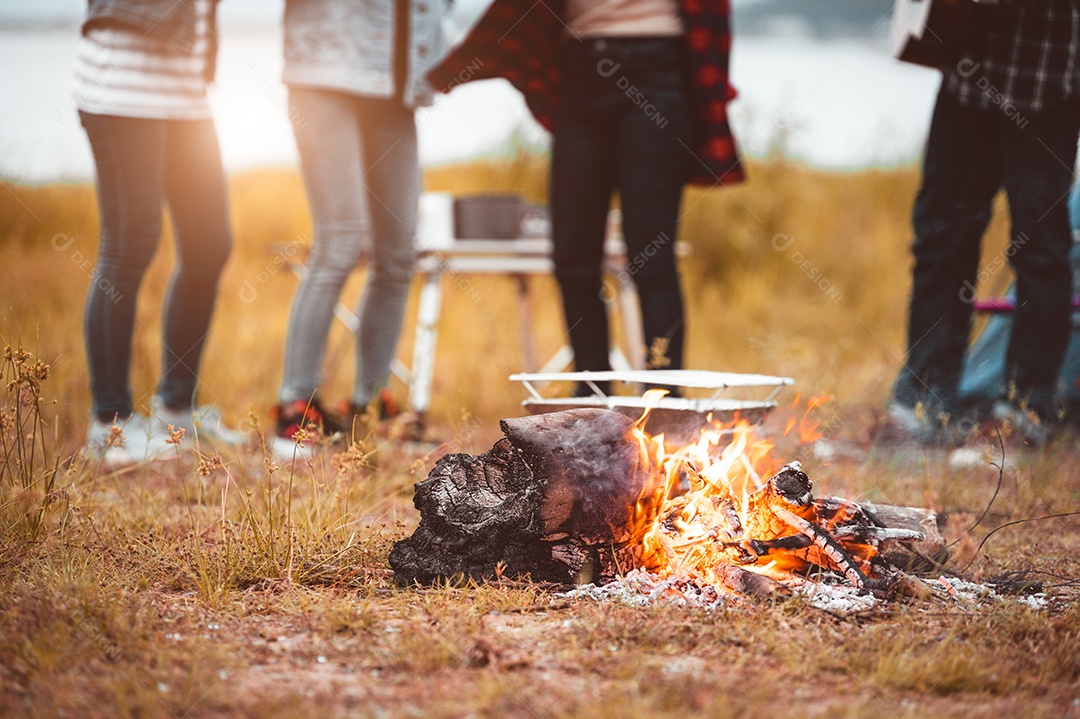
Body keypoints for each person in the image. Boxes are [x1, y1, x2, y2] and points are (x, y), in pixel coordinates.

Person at [429, 0, 744, 395]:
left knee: (652, 258)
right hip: (580, 71)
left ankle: (662, 405)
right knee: (573, 259)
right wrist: (439, 74)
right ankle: (592, 399)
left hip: (659, 70)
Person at [889, 0, 1080, 446]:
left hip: (1044, 74)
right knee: (940, 237)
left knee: (1041, 248)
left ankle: (1025, 412)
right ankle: (922, 403)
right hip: (968, 62)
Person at [271, 0, 448, 458]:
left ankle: (370, 406)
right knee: (341, 243)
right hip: (326, 74)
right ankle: (295, 407)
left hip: (400, 83)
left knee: (397, 255)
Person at [76, 0, 247, 467]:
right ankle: (110, 423)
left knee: (209, 244)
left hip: (186, 94)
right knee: (130, 246)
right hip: (123, 87)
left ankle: (177, 409)